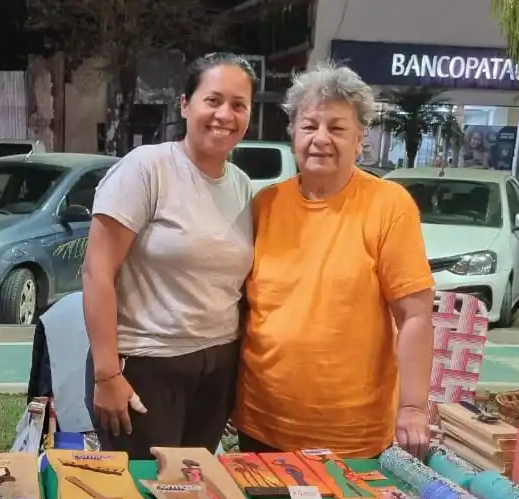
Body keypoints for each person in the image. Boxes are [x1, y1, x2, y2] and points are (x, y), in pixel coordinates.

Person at [234, 62, 435, 460]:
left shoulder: (388, 206)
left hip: (349, 437)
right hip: (260, 424)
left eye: (337, 128)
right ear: (293, 134)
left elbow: (415, 315)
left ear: (360, 139)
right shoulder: (265, 205)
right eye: (309, 126)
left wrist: (412, 407)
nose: (320, 139)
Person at [83, 52, 257, 460]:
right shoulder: (147, 168)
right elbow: (96, 272)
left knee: (190, 490)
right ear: (185, 104)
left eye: (238, 105)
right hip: (145, 365)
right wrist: (107, 374)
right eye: (212, 100)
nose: (224, 115)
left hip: (217, 369)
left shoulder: (242, 185)